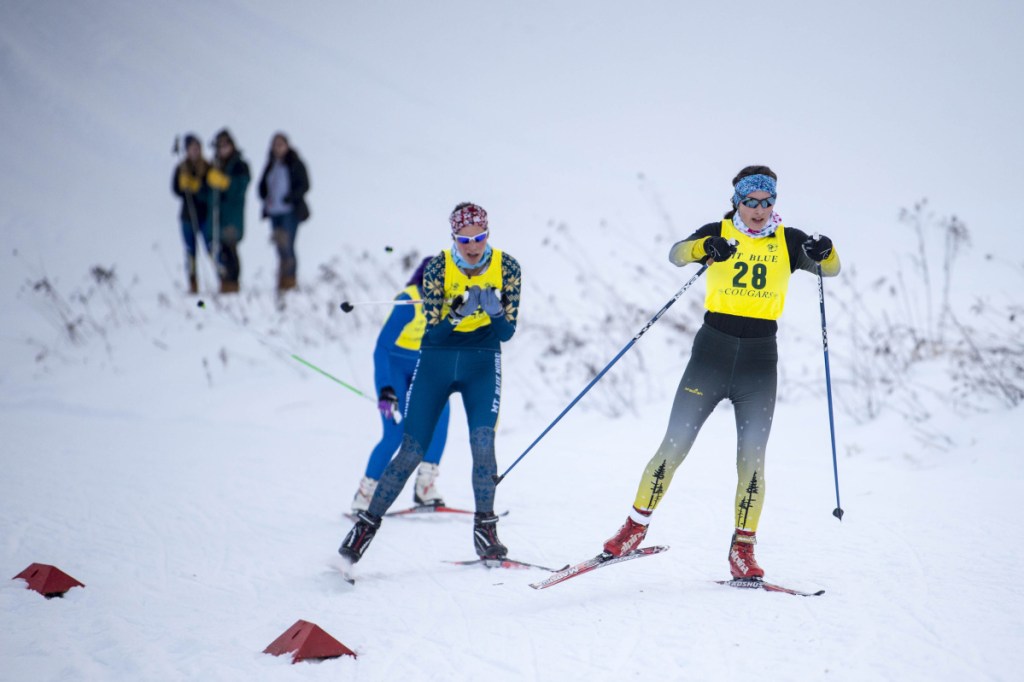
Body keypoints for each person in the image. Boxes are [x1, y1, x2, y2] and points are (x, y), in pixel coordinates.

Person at [601, 165, 841, 580]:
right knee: (672, 448)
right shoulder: (720, 230)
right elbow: (677, 253)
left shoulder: (788, 239)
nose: (760, 209)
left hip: (759, 361)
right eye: (752, 201)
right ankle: (634, 527)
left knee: (752, 461)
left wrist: (827, 250)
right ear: (737, 201)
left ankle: (742, 550)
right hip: (711, 353)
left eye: (768, 202)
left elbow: (830, 269)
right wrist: (704, 248)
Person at [339, 202, 522, 568]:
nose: (473, 246)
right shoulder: (439, 266)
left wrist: (496, 312)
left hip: (482, 360)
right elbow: (434, 329)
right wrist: (459, 311)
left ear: (489, 233)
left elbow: (507, 332)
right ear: (453, 237)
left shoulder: (508, 267)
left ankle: (486, 532)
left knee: (483, 442)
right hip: (437, 358)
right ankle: (363, 529)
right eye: (465, 239)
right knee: (410, 450)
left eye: (480, 237)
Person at [350, 256, 452, 513]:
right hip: (393, 369)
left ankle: (425, 486)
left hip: (421, 367)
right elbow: (381, 348)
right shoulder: (409, 302)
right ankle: (365, 493)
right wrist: (385, 388)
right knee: (396, 432)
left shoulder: (448, 301)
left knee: (440, 414)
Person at [257, 132, 311, 292]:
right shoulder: (271, 165)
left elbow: (305, 184)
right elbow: (262, 185)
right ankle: (282, 279)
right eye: (276, 145)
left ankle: (290, 281)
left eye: (281, 144)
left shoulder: (295, 163)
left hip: (290, 211)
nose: (278, 148)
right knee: (279, 245)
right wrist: (265, 197)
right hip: (274, 211)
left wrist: (291, 197)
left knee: (287, 245)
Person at [207, 128, 251, 293]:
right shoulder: (216, 166)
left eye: (226, 145)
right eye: (220, 146)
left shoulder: (240, 165)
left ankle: (233, 283)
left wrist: (226, 183)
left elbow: (241, 188)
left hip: (233, 215)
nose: (223, 149)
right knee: (221, 250)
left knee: (230, 249)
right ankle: (225, 283)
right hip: (217, 216)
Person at [171, 133, 210, 294]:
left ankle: (223, 280)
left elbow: (210, 190)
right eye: (192, 148)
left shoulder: (207, 167)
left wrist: (197, 187)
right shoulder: (182, 168)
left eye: (197, 148)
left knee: (211, 246)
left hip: (204, 214)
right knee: (190, 251)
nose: (195, 151)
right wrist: (183, 186)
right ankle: (193, 283)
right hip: (187, 215)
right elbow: (175, 189)